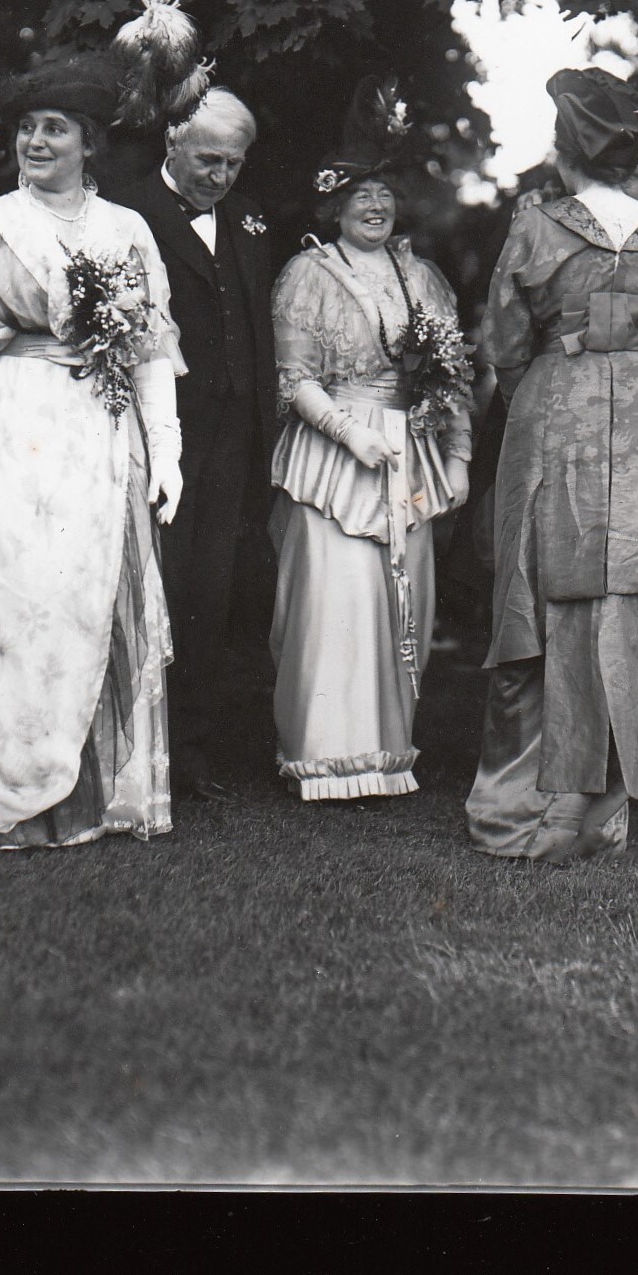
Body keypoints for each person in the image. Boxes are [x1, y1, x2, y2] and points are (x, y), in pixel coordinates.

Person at [0, 53, 184, 851]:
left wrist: (166, 450)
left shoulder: (126, 228)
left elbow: (153, 346)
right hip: (13, 423)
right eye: (26, 128)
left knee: (82, 597)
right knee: (12, 596)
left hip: (98, 430)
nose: (36, 141)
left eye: (54, 128)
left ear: (89, 142)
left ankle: (89, 789)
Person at [464, 70, 638, 863]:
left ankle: (525, 809)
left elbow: (502, 340)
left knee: (538, 589)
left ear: (565, 154)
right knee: (628, 596)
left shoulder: (535, 226)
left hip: (555, 411)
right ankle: (601, 813)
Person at [268, 84, 473, 799]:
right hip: (335, 453)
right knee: (339, 598)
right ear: (334, 205)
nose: (375, 205)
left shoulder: (420, 277)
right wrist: (350, 434)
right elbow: (295, 378)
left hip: (407, 455)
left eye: (385, 192)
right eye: (361, 194)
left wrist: (457, 458)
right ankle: (325, 757)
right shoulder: (309, 274)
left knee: (402, 599)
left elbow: (451, 376)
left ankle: (389, 755)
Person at [106, 87, 278, 800]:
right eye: (209, 159)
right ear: (173, 142)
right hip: (161, 431)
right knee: (160, 584)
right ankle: (143, 745)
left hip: (236, 434)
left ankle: (200, 744)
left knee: (218, 585)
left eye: (234, 164)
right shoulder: (128, 212)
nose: (221, 176)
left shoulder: (248, 220)